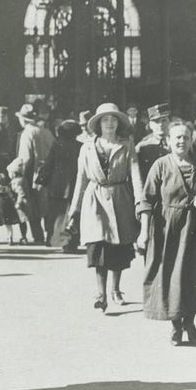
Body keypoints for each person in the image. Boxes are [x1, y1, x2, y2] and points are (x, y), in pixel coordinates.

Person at [137, 121, 196, 345]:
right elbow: (146, 200)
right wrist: (143, 232)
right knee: (171, 277)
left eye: (186, 137)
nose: (181, 141)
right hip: (167, 230)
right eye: (177, 138)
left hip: (195, 228)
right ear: (169, 141)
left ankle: (189, 322)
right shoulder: (160, 165)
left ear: (192, 140)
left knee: (194, 276)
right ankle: (176, 325)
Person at [66, 103, 144, 313]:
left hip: (120, 199)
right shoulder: (87, 147)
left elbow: (135, 175)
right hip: (95, 200)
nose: (109, 123)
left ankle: (115, 289)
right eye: (105, 120)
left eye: (113, 119)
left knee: (119, 247)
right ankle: (101, 294)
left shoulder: (127, 144)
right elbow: (81, 180)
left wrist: (139, 203)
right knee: (98, 245)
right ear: (98, 124)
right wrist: (74, 210)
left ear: (119, 123)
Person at [35, 119, 83, 249]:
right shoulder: (80, 146)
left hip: (56, 185)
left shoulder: (57, 145)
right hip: (74, 183)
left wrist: (41, 180)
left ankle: (51, 238)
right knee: (72, 214)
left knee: (55, 213)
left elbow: (48, 165)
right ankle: (71, 242)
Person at [17, 103, 56, 245]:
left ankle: (38, 236)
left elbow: (25, 158)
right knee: (47, 206)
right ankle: (50, 235)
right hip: (48, 174)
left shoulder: (27, 133)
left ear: (23, 120)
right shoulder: (46, 132)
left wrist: (19, 175)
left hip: (33, 175)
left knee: (33, 207)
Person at [135, 103, 171, 182]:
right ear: (150, 125)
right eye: (156, 121)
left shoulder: (177, 143)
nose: (160, 124)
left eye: (164, 120)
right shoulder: (142, 146)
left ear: (169, 122)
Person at [0, 106, 21, 178]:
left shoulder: (0, 127)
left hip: (2, 161)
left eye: (2, 116)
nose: (2, 118)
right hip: (0, 162)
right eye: (0, 116)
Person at [7, 158, 32, 245]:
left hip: (21, 205)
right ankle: (23, 236)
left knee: (22, 221)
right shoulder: (23, 179)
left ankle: (23, 237)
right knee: (23, 222)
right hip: (26, 203)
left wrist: (18, 203)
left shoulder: (16, 182)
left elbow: (21, 193)